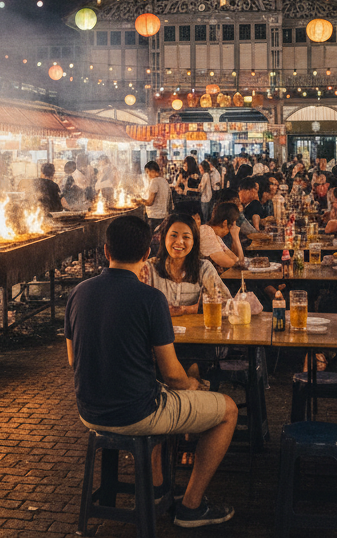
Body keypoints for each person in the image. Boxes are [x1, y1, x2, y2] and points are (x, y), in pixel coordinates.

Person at [65, 215, 237, 528]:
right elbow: (173, 376)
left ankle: (158, 491)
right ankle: (191, 507)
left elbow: (73, 361)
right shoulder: (150, 298)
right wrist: (193, 385)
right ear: (148, 254)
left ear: (106, 251)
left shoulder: (78, 293)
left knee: (162, 397)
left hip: (89, 412)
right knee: (228, 410)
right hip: (137, 413)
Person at [144, 214, 231, 317]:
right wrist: (193, 308)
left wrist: (186, 310)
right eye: (174, 235)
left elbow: (228, 304)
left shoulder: (203, 268)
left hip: (195, 332)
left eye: (186, 237)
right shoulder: (149, 268)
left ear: (194, 241)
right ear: (164, 237)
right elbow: (140, 308)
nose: (179, 242)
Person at [200, 202, 245, 271]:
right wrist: (236, 237)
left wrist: (236, 238)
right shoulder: (206, 231)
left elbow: (237, 260)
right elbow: (228, 262)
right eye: (232, 226)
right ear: (225, 223)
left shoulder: (216, 236)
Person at [139, 160, 171, 232]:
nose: (147, 174)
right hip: (163, 216)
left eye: (147, 172)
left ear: (151, 171)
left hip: (154, 217)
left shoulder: (154, 181)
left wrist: (139, 200)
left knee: (152, 239)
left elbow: (150, 202)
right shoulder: (164, 181)